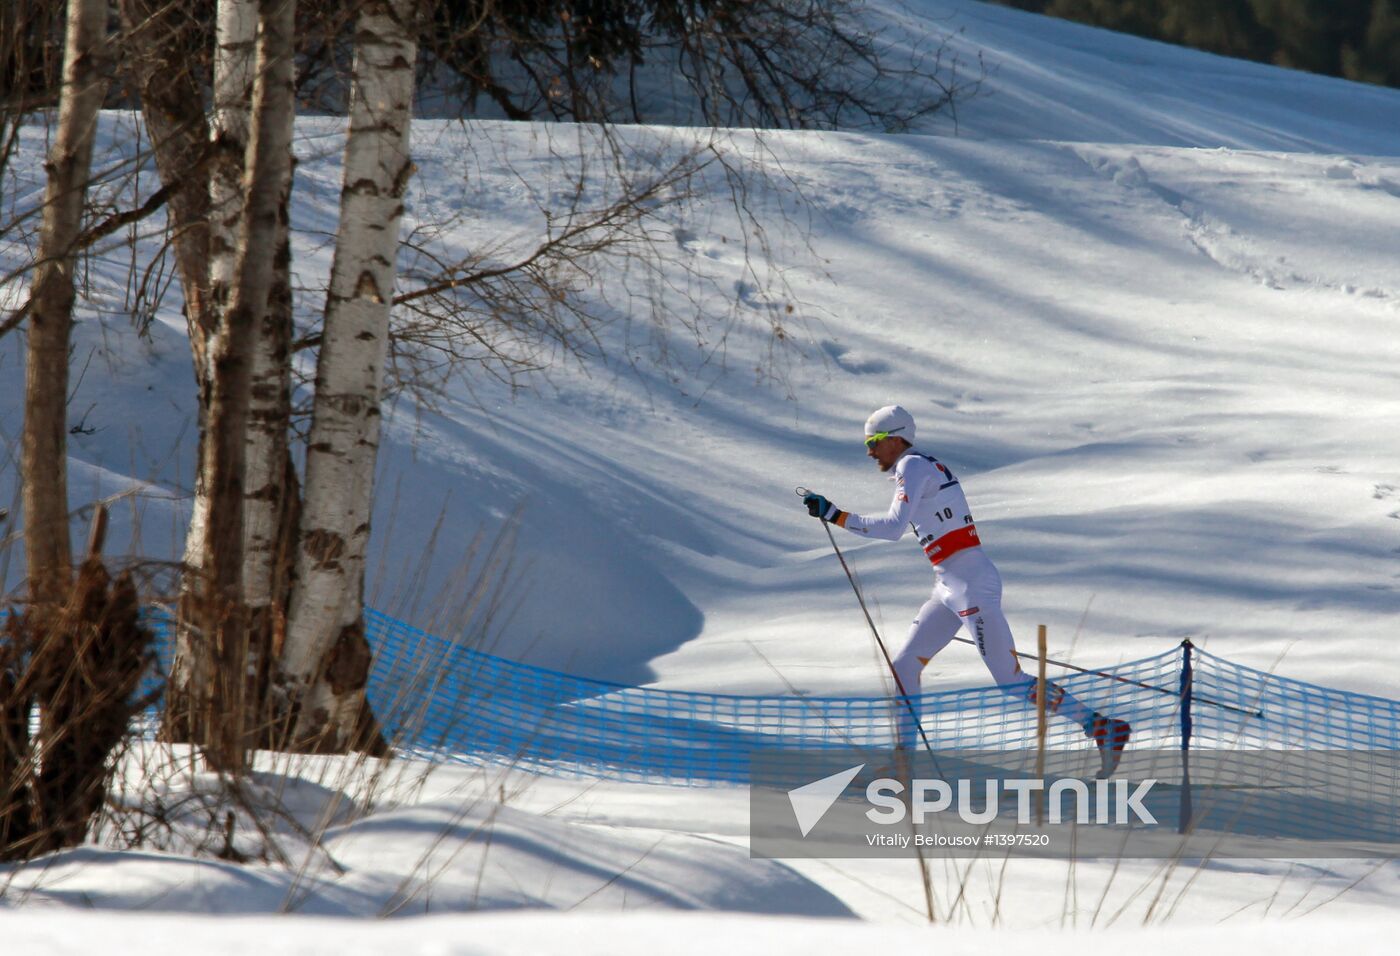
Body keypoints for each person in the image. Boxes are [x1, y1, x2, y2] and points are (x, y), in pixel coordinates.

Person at [802, 404, 1131, 777]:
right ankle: (903, 762)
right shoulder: (918, 467)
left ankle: (1101, 726)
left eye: (874, 442)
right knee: (905, 665)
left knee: (1010, 680)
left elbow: (893, 528)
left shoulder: (913, 466)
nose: (869, 452)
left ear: (895, 439)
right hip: (948, 585)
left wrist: (835, 515)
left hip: (971, 585)